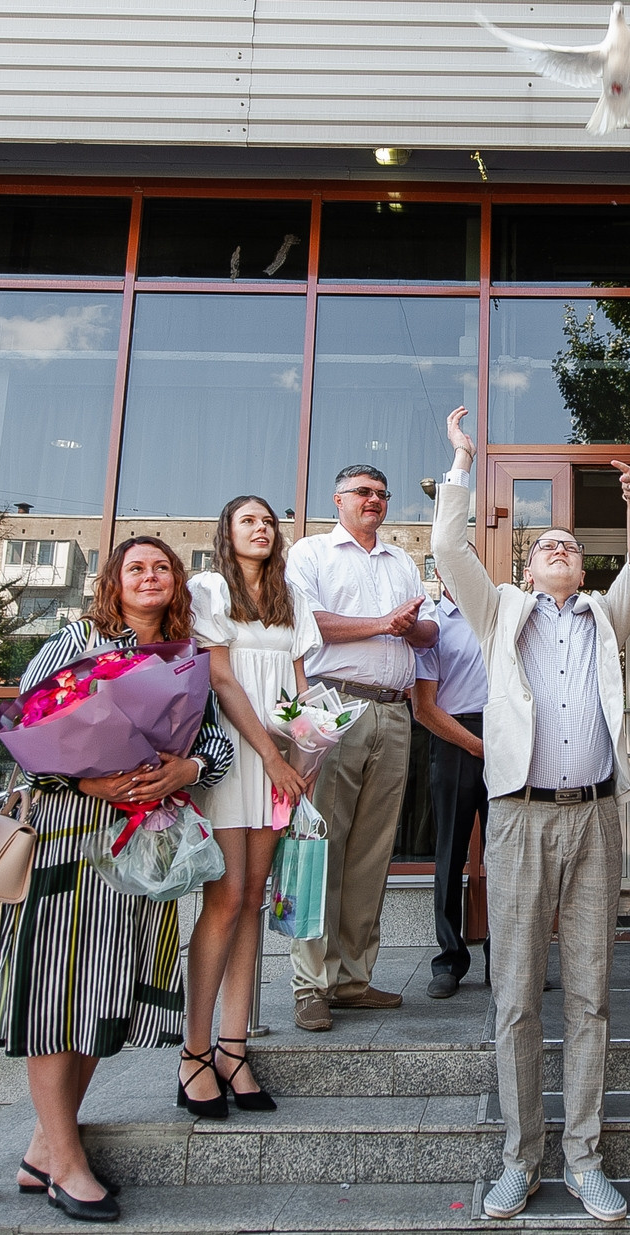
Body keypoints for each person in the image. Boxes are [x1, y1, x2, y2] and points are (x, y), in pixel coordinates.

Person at [433, 404, 630, 1223]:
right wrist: (462, 462)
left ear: (583, 565)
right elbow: (446, 548)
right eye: (545, 545)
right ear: (530, 567)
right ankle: (518, 1157)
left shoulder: (611, 616)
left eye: (571, 545)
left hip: (596, 818)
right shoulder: (501, 611)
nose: (559, 550)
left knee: (592, 994)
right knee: (515, 999)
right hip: (519, 820)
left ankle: (584, 1156)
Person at [0, 535, 234, 1222]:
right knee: (57, 994)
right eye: (137, 567)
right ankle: (68, 1163)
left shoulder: (188, 657)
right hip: (71, 843)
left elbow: (213, 742)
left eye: (162, 566)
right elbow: (23, 726)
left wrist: (185, 771)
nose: (150, 575)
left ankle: (47, 1142)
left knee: (108, 993)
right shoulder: (74, 642)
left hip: (142, 853)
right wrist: (88, 775)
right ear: (114, 580)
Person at [284, 463, 439, 1030]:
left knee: (373, 853)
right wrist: (381, 623)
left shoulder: (401, 560)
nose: (374, 500)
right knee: (320, 845)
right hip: (333, 706)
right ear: (338, 498)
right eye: (363, 492)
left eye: (381, 493)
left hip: (394, 711)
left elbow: (427, 633)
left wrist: (411, 628)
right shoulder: (310, 554)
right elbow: (306, 624)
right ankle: (310, 984)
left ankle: (353, 979)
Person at [181, 495, 320, 1115]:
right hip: (232, 755)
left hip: (280, 761)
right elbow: (221, 679)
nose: (261, 529)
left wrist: (308, 755)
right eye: (248, 521)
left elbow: (300, 686)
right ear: (226, 532)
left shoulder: (290, 595)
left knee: (256, 896)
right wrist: (269, 755)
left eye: (268, 522)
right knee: (227, 898)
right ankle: (194, 1052)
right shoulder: (209, 588)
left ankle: (234, 1049)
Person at [410, 567, 491, 999]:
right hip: (454, 736)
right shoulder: (431, 627)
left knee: (507, 858)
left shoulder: (498, 613)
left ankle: (506, 959)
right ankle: (449, 961)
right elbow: (423, 708)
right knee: (450, 854)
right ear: (441, 572)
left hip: (505, 738)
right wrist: (477, 746)